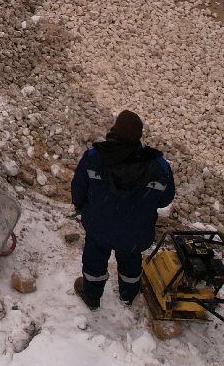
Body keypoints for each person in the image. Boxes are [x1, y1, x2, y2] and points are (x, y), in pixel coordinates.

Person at [69, 110, 175, 310]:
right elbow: (165, 200)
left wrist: (83, 207)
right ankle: (128, 295)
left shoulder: (94, 157)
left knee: (95, 259)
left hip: (99, 226)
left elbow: (78, 191)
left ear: (114, 131)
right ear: (138, 136)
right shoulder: (158, 166)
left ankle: (91, 296)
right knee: (131, 259)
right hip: (136, 233)